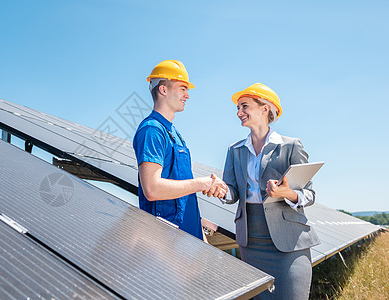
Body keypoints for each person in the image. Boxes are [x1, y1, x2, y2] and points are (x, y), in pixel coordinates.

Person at [220, 83, 320, 299]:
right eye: (238, 108)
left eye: (244, 106)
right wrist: (221, 191)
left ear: (264, 108)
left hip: (289, 242)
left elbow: (309, 194)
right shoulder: (234, 150)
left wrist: (287, 193)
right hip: (251, 241)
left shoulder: (291, 146)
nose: (239, 113)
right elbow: (233, 191)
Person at [133, 60, 226, 240]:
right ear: (163, 90)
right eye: (183, 88)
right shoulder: (152, 130)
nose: (187, 95)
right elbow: (152, 189)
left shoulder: (174, 133)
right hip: (164, 239)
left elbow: (180, 189)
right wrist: (203, 183)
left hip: (187, 236)